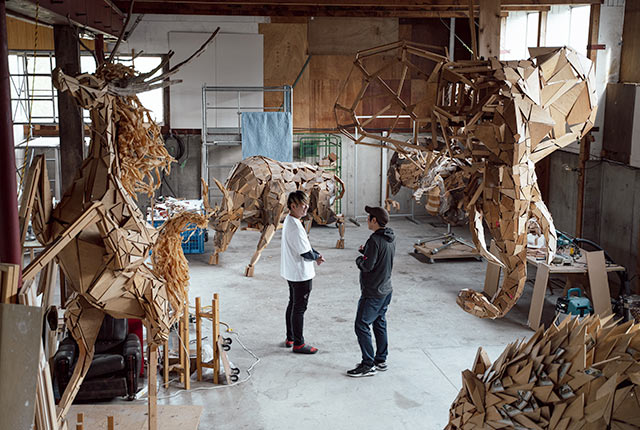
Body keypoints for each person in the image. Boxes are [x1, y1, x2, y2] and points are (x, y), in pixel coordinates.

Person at [347, 206, 395, 377]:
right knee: (379, 322)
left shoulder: (374, 240)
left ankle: (368, 364)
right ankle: (380, 359)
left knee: (361, 325)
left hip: (373, 292)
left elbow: (367, 266)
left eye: (368, 218)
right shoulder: (389, 237)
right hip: (386, 290)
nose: (367, 220)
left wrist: (360, 259)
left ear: (374, 220)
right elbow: (380, 257)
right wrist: (366, 252)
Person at [281, 190, 325, 354]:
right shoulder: (295, 226)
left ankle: (290, 337)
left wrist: (316, 254)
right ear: (293, 206)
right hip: (300, 274)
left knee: (293, 303)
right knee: (299, 308)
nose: (306, 207)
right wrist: (317, 257)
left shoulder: (290, 221)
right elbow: (305, 253)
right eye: (302, 205)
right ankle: (298, 343)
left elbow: (305, 246)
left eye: (306, 204)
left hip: (292, 272)